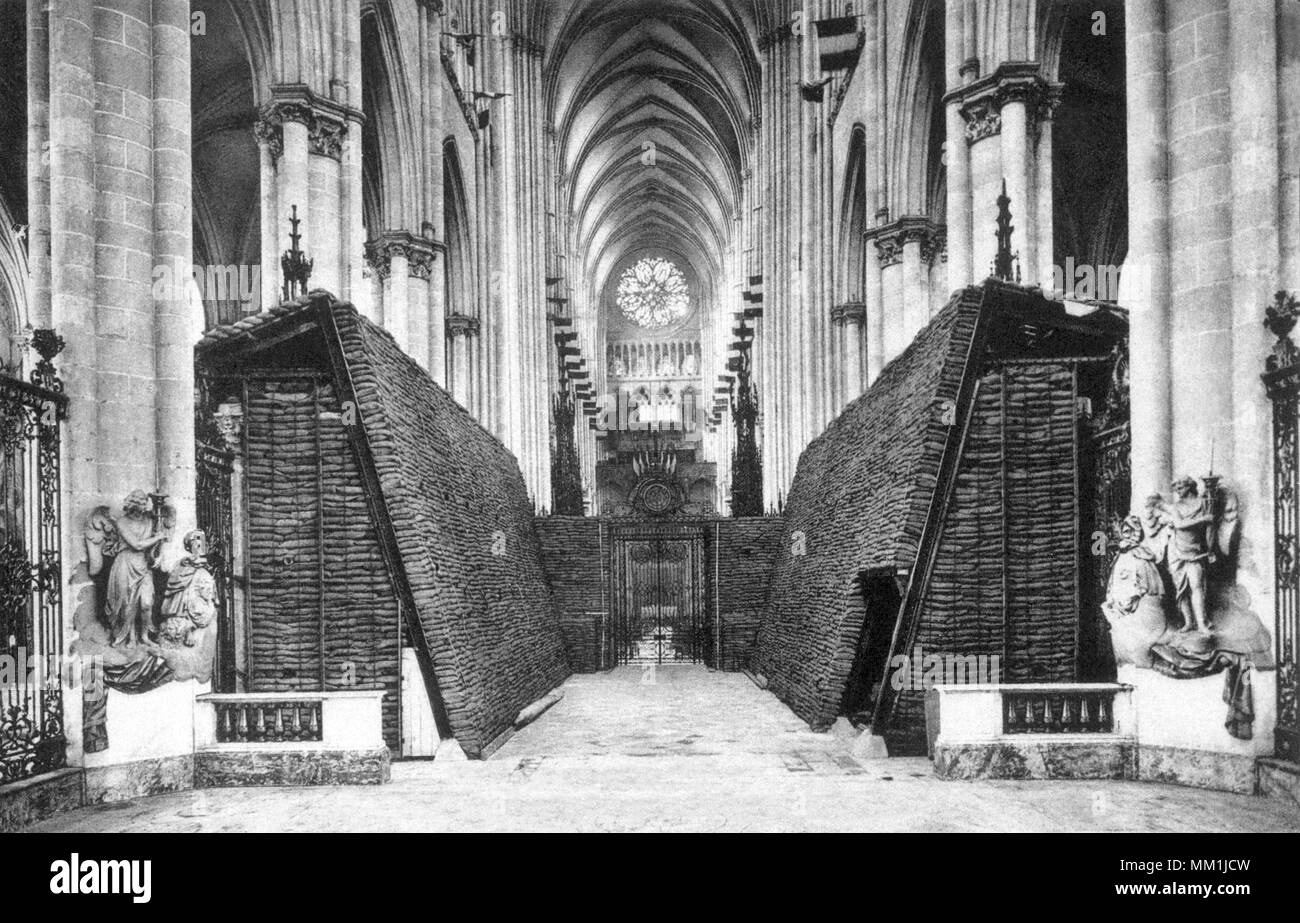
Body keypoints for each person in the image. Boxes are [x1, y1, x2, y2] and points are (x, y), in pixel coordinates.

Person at [104, 490, 167, 647]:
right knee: (128, 605)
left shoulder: (150, 522)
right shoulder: (121, 522)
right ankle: (131, 638)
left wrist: (159, 550)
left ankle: (145, 636)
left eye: (142, 502)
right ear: (130, 504)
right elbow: (137, 544)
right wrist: (157, 537)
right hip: (125, 564)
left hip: (143, 566)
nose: (138, 506)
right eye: (135, 502)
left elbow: (151, 550)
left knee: (146, 604)